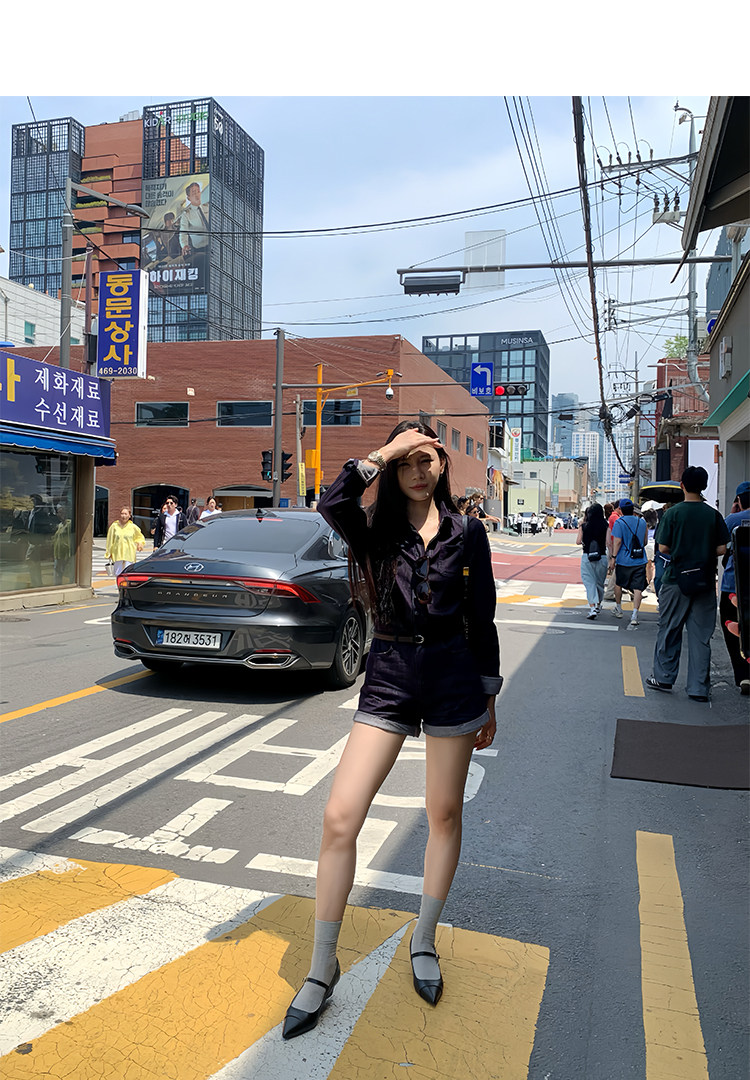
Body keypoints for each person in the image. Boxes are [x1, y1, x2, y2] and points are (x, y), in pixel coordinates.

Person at [281, 420, 501, 1040]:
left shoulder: (467, 532)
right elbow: (332, 502)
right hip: (391, 671)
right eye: (406, 460)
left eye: (425, 457)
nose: (416, 469)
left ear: (442, 464)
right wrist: (384, 451)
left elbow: (482, 616)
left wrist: (490, 696)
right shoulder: (375, 529)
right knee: (340, 817)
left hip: (454, 675)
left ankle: (424, 939)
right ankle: (322, 966)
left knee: (444, 813)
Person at [646, 466, 729, 701]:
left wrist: (682, 551)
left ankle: (664, 678)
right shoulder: (713, 515)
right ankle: (698, 688)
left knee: (670, 629)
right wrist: (703, 553)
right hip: (704, 580)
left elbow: (663, 547)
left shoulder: (673, 514)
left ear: (682, 485)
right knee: (701, 636)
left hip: (676, 579)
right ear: (704, 486)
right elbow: (722, 548)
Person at [719, 481, 750, 695]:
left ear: (738, 500)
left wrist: (733, 513)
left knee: (732, 628)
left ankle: (743, 675)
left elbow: (720, 546)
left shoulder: (732, 520)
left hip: (734, 585)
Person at [609, 499, 648, 628]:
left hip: (623, 560)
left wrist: (613, 557)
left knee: (618, 584)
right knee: (638, 588)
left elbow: (617, 542)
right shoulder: (642, 522)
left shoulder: (619, 522)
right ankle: (634, 615)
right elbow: (645, 542)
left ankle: (619, 609)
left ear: (620, 509)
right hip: (640, 559)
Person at [576, 503, 608, 618]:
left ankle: (593, 608)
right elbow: (608, 543)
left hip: (587, 556)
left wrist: (581, 528)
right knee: (600, 583)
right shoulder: (606, 525)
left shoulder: (584, 526)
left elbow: (578, 541)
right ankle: (598, 605)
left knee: (590, 583)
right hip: (602, 556)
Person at [105, 506, 146, 578]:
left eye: (125, 514)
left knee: (128, 574)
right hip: (117, 554)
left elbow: (140, 537)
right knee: (118, 574)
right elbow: (110, 540)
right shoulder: (114, 526)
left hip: (129, 554)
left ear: (129, 515)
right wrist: (109, 552)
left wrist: (140, 543)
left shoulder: (133, 527)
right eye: (122, 514)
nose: (123, 516)